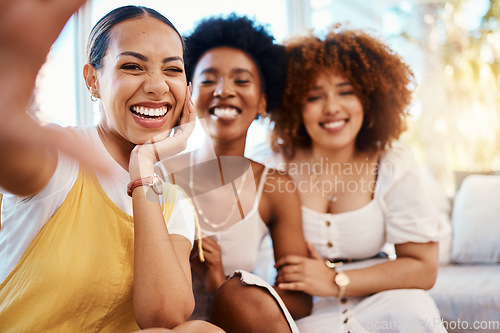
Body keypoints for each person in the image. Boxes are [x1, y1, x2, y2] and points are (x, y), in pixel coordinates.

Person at [0, 3, 222, 332]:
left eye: (173, 70)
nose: (158, 86)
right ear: (92, 80)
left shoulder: (174, 202)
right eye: (133, 66)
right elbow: (12, 159)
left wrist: (143, 166)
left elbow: (165, 316)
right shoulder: (59, 154)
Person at [267, 25, 450, 332]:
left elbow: (424, 268)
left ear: (370, 98)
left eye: (346, 92)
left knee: (413, 310)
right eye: (314, 96)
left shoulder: (392, 162)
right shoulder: (271, 162)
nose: (332, 108)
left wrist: (335, 280)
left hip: (385, 299)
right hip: (304, 308)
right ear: (295, 105)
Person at [158, 14, 312, 333]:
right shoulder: (156, 175)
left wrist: (221, 286)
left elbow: (300, 302)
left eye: (241, 81)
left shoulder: (274, 188)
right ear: (188, 93)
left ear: (262, 103)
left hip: (241, 325)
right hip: (169, 325)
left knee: (241, 295)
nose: (224, 90)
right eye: (208, 79)